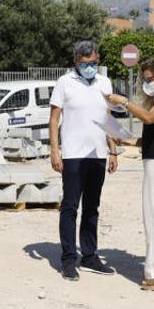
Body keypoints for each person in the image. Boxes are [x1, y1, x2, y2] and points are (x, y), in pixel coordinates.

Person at [106, 59, 154, 291]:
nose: (146, 83)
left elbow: (149, 119)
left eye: (149, 79)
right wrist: (129, 140)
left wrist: (126, 102)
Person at [49, 40, 119, 281]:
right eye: (86, 63)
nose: (91, 67)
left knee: (92, 208)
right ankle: (68, 259)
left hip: (97, 155)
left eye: (95, 62)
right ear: (76, 62)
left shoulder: (104, 82)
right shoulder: (64, 83)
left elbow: (107, 118)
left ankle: (89, 255)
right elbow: (54, 118)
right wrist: (55, 150)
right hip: (73, 154)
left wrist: (112, 150)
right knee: (70, 207)